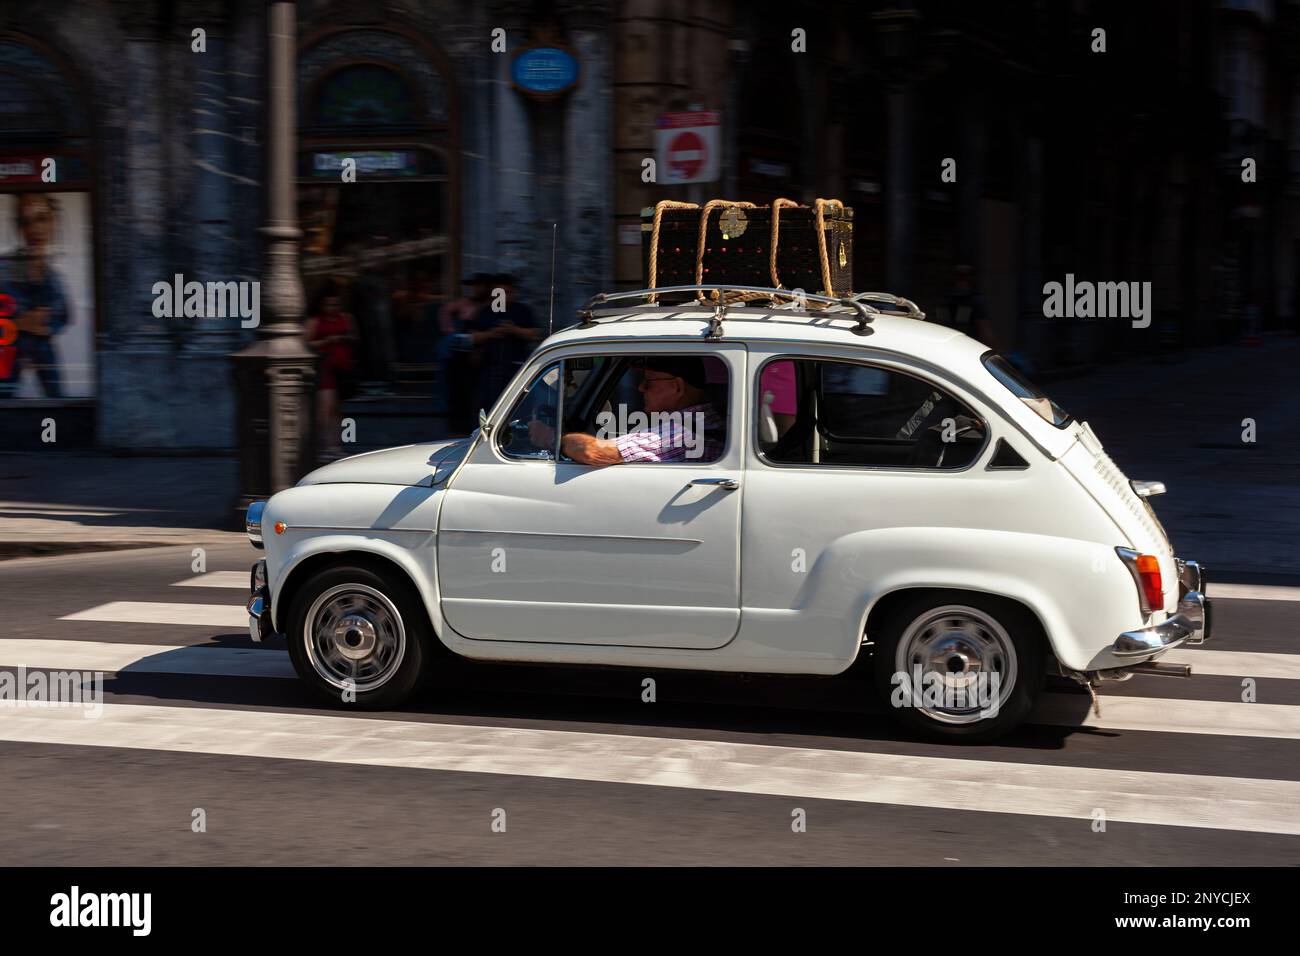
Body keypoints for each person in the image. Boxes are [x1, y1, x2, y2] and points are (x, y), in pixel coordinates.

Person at [532, 356, 725, 466]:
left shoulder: (682, 433)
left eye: (648, 382)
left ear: (677, 387)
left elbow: (592, 452)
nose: (640, 388)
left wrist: (552, 437)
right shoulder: (708, 420)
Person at [0, 194, 69, 398]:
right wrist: (22, 322)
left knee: (54, 393)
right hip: (8, 349)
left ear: (53, 223)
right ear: (20, 228)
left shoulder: (51, 275)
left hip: (35, 347)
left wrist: (31, 322)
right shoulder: (6, 267)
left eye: (42, 219)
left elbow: (61, 315)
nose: (35, 230)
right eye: (26, 222)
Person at [468, 273, 542, 419]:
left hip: (516, 368)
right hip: (489, 369)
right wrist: (491, 334)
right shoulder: (485, 312)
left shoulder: (522, 310)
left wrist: (514, 330)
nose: (504, 296)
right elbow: (472, 337)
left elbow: (534, 333)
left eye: (507, 292)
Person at [305, 287, 358, 459]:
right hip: (324, 367)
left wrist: (345, 339)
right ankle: (323, 446)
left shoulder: (347, 318)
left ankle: (335, 446)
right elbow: (305, 344)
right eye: (329, 304)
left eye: (336, 304)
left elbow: (356, 338)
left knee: (337, 410)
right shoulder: (315, 321)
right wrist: (327, 341)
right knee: (325, 409)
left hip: (342, 367)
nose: (333, 307)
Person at [942, 263, 998, 348]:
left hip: (967, 345)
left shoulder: (974, 300)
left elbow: (985, 330)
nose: (962, 281)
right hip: (955, 344)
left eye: (965, 277)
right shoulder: (948, 299)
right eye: (960, 277)